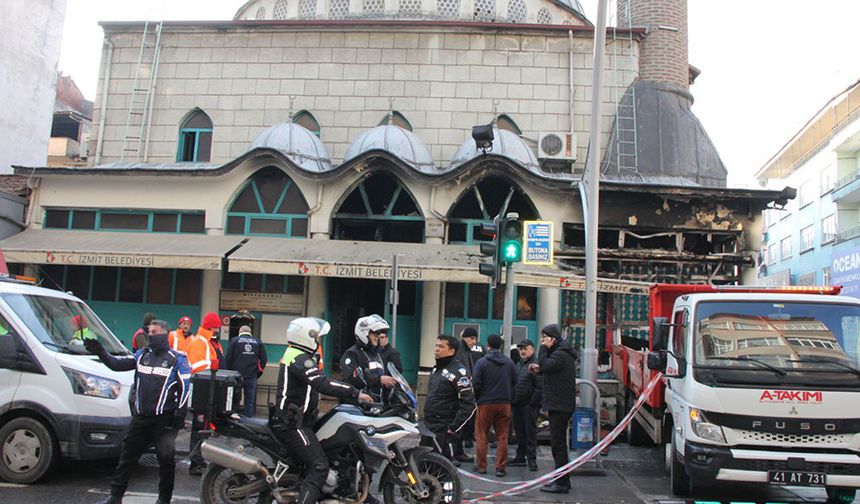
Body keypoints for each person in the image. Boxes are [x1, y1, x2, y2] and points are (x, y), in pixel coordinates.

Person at [84, 319, 190, 504]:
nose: (151, 335)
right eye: (149, 332)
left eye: (155, 332)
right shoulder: (142, 355)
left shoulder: (177, 359)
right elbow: (117, 364)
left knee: (166, 462)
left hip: (163, 421)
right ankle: (115, 496)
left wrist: (178, 417)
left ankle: (164, 499)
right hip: (141, 419)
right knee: (126, 457)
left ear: (165, 334)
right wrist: (100, 351)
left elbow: (185, 388)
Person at [270, 317, 372, 504]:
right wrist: (355, 393)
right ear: (305, 337)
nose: (318, 343)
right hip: (292, 423)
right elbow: (321, 383)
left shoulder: (299, 355)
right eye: (317, 338)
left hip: (303, 419)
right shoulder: (299, 358)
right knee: (319, 465)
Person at [530, 323, 578, 494]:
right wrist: (540, 370)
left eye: (545, 338)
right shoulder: (560, 353)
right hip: (559, 403)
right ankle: (560, 479)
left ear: (553, 339)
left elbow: (547, 364)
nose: (543, 341)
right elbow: (548, 368)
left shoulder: (560, 354)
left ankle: (562, 483)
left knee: (558, 445)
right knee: (557, 445)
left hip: (560, 405)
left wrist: (543, 349)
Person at [422, 334, 476, 463]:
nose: (436, 349)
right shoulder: (436, 369)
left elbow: (469, 404)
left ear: (451, 351)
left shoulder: (459, 372)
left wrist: (454, 427)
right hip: (429, 426)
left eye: (441, 346)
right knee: (423, 463)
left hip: (444, 429)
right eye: (436, 346)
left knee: (442, 468)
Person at [471, 334, 516, 477]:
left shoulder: (482, 362)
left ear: (488, 345)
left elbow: (476, 383)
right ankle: (500, 467)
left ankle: (481, 465)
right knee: (502, 436)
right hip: (504, 403)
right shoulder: (509, 362)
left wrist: (477, 398)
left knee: (482, 434)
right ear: (501, 346)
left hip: (486, 403)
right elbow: (515, 381)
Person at [186, 311, 225, 475]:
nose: (218, 330)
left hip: (208, 391)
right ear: (212, 326)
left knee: (204, 427)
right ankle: (196, 463)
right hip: (202, 392)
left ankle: (199, 460)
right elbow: (199, 368)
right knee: (199, 427)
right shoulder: (201, 342)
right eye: (217, 327)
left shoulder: (209, 341)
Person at [340, 314, 396, 404]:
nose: (377, 337)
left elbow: (380, 376)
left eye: (378, 334)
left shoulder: (377, 354)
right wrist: (379, 379)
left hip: (374, 404)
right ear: (364, 333)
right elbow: (352, 378)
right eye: (374, 333)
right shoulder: (352, 353)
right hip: (356, 405)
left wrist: (387, 384)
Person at [509, 339, 542, 472]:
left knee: (530, 433)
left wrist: (532, 403)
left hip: (529, 405)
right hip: (517, 404)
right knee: (520, 432)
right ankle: (520, 456)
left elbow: (539, 387)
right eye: (520, 349)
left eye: (525, 348)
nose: (522, 351)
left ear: (532, 349)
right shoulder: (518, 364)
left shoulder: (536, 365)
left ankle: (532, 460)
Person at [224, 325, 268, 417]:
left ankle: (234, 419)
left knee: (234, 399)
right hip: (251, 375)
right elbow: (264, 359)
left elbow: (228, 358)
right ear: (250, 332)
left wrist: (230, 372)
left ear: (240, 332)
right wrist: (258, 372)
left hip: (236, 376)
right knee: (250, 401)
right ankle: (249, 420)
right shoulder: (258, 342)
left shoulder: (234, 341)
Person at [454, 327, 483, 458]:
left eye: (475, 339)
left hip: (465, 390)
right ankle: (456, 451)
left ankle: (459, 450)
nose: (474, 341)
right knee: (458, 423)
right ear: (465, 337)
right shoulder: (460, 350)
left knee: (463, 422)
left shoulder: (466, 351)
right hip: (460, 391)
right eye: (472, 338)